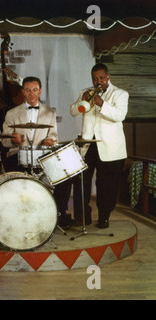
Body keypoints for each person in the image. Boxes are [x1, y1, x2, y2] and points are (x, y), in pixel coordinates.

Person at [2, 77, 73, 227]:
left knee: (64, 176)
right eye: (27, 90)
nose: (31, 94)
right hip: (17, 154)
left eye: (35, 90)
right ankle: (18, 216)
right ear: (22, 92)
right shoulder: (12, 113)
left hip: (42, 156)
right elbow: (4, 140)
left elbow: (53, 134)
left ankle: (59, 213)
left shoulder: (50, 112)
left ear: (40, 91)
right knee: (15, 179)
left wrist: (49, 140)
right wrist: (13, 140)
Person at [70, 63, 128, 228]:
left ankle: (104, 217)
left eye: (101, 78)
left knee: (106, 185)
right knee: (82, 182)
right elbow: (74, 111)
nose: (98, 82)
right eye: (95, 79)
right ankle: (82, 217)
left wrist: (102, 103)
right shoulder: (85, 92)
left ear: (108, 76)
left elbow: (120, 115)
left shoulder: (120, 94)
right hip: (88, 146)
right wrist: (83, 100)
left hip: (110, 147)